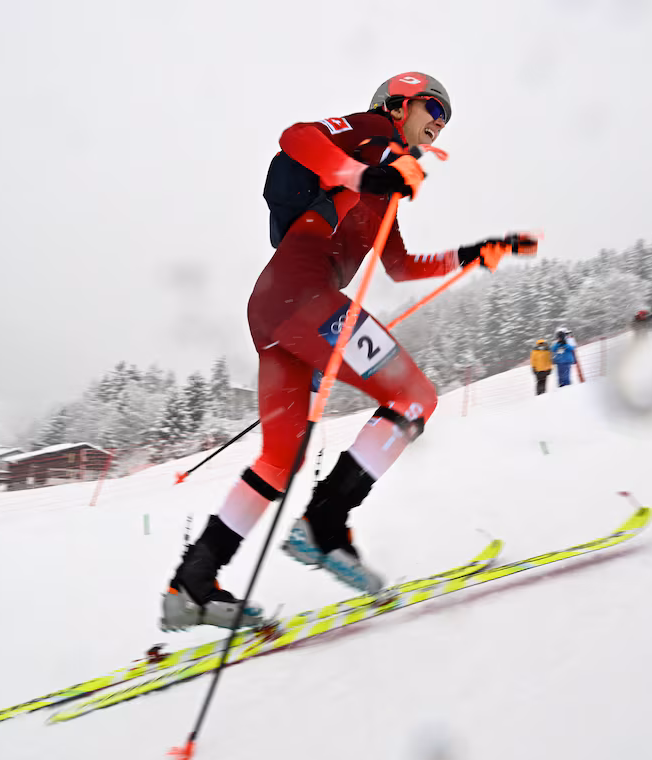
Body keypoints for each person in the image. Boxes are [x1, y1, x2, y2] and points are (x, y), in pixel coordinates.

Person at [162, 72, 539, 631]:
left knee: (279, 459)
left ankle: (190, 584)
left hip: (277, 312)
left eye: (447, 119)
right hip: (301, 295)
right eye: (432, 107)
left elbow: (402, 267)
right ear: (398, 104)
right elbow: (295, 137)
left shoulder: (385, 191)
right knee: (414, 399)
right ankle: (324, 524)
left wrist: (475, 252)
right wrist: (370, 170)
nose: (439, 122)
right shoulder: (369, 133)